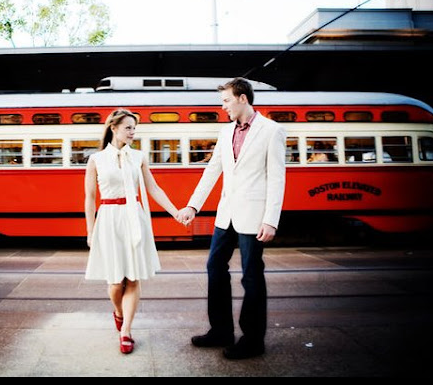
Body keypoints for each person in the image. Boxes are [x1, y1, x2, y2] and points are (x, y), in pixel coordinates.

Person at [177, 78, 286, 360]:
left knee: (251, 277)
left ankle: (252, 340)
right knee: (215, 267)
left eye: (226, 101)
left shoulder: (271, 131)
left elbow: (276, 178)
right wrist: (193, 205)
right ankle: (221, 331)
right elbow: (212, 170)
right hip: (226, 215)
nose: (222, 106)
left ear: (242, 98)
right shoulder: (225, 132)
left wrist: (270, 219)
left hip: (253, 215)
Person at [85, 109, 182, 354]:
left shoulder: (138, 157)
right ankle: (118, 312)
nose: (132, 132)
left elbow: (154, 188)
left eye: (134, 128)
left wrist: (175, 212)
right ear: (114, 127)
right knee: (116, 282)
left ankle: (126, 330)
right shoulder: (96, 159)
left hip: (134, 218)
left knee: (133, 277)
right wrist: (90, 231)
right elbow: (89, 198)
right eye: (128, 127)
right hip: (108, 219)